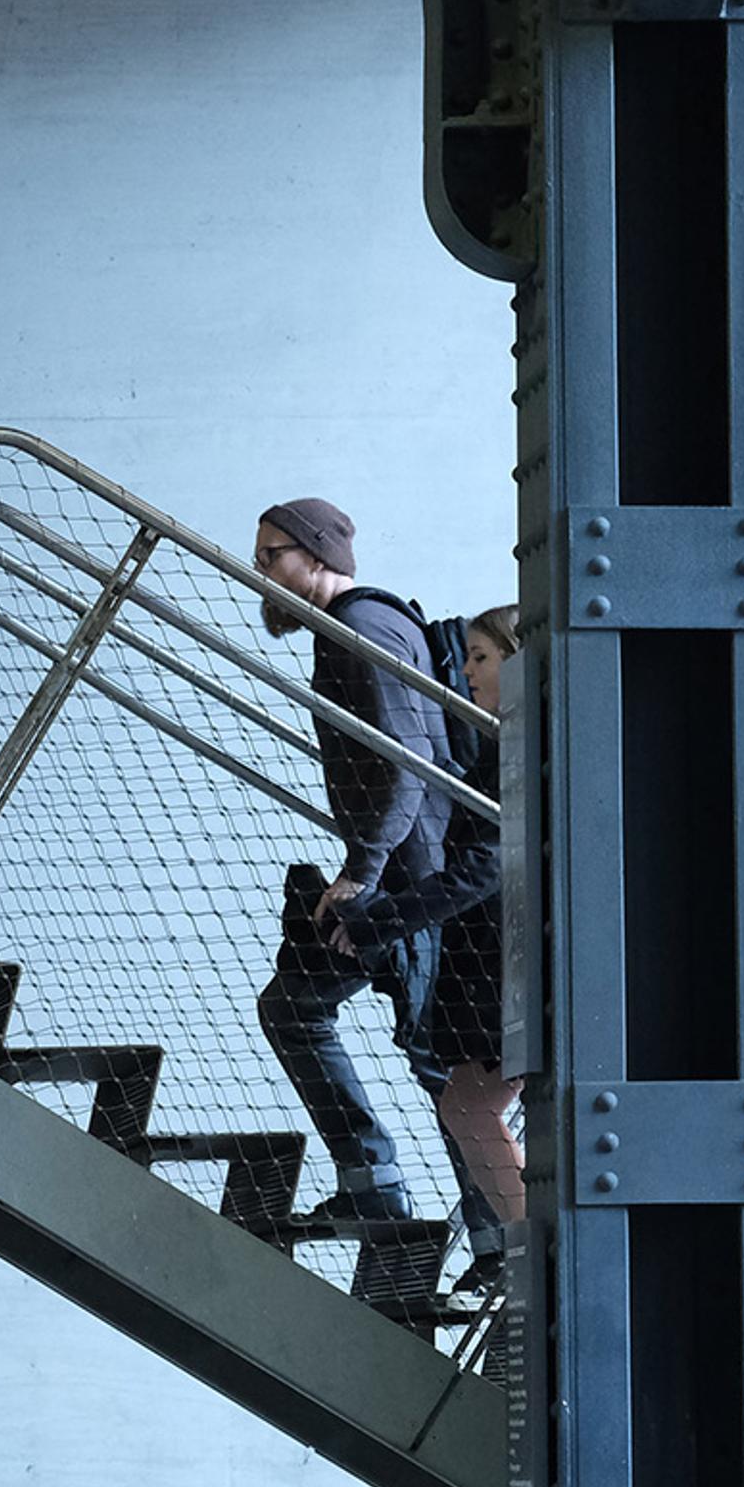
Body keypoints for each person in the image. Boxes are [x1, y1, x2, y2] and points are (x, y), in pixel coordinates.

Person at [251, 497, 457, 1225]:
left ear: (318, 556)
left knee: (440, 1060)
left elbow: (408, 762)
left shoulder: (362, 628)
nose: (261, 573)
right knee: (301, 1010)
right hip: (405, 872)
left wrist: (362, 874)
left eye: (273, 556)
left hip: (410, 880)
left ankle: (490, 1226)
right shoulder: (351, 628)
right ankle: (379, 1189)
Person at [333, 603, 521, 1294]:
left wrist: (379, 918)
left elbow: (483, 868)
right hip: (511, 959)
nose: (466, 672)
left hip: (520, 962)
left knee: (470, 1104)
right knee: (467, 1104)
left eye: (481, 658)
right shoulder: (508, 741)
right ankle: (529, 1250)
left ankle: (534, 1253)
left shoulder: (523, 744)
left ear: (521, 658)